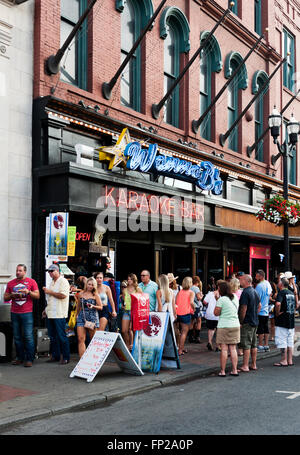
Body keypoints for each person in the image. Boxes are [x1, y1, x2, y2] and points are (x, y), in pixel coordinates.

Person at [4, 264, 40, 367]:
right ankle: (19, 357)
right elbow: (5, 297)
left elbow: (37, 295)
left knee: (28, 336)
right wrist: (12, 295)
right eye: (17, 270)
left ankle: (29, 359)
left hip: (27, 313)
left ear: (25, 272)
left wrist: (28, 292)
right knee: (17, 336)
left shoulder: (31, 282)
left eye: (20, 270)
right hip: (14, 313)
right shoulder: (11, 283)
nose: (17, 272)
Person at [42, 264, 70, 365]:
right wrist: (46, 309)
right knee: (52, 336)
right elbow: (50, 299)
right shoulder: (51, 282)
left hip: (59, 313)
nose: (50, 273)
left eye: (52, 271)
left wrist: (50, 291)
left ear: (58, 271)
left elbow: (63, 295)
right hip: (51, 312)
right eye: (49, 271)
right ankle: (56, 355)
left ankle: (66, 357)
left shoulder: (63, 281)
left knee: (61, 336)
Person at [214, 280, 240, 377]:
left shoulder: (222, 299)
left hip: (224, 325)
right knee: (233, 349)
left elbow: (216, 313)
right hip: (235, 325)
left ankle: (223, 371)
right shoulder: (235, 298)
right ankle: (234, 370)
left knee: (224, 349)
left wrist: (217, 300)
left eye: (219, 289)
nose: (218, 290)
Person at [237, 274, 261, 372]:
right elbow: (260, 305)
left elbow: (243, 308)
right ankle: (253, 364)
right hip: (255, 320)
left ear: (246, 281)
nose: (239, 281)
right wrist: (254, 313)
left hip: (247, 322)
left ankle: (245, 365)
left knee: (246, 344)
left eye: (241, 280)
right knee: (253, 344)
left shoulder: (245, 292)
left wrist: (241, 321)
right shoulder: (255, 291)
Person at [273, 277, 298, 367]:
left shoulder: (281, 292)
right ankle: (290, 360)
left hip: (282, 321)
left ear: (281, 284)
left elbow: (278, 304)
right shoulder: (291, 292)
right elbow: (296, 305)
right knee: (290, 341)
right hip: (291, 321)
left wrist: (277, 312)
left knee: (282, 341)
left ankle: (284, 360)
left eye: (279, 282)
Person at [76, 277, 103, 358]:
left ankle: (92, 359)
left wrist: (93, 306)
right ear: (86, 284)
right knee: (81, 339)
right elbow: (78, 306)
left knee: (93, 340)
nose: (90, 286)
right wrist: (76, 315)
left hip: (92, 317)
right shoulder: (81, 294)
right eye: (89, 284)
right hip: (82, 317)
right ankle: (82, 360)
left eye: (92, 285)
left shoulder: (95, 295)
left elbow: (101, 307)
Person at [122, 273, 142, 350]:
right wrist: (124, 306)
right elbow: (124, 301)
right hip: (127, 311)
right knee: (124, 330)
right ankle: (127, 345)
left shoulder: (138, 289)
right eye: (128, 279)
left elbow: (141, 300)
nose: (129, 280)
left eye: (131, 279)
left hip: (135, 311)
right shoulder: (125, 290)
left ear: (134, 280)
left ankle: (133, 345)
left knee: (134, 330)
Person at [175, 277, 195, 356]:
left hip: (178, 313)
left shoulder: (179, 292)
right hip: (185, 313)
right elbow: (191, 302)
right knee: (184, 332)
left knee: (179, 332)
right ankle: (180, 350)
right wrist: (194, 309)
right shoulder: (191, 292)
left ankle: (180, 347)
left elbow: (176, 302)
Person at [255, 270, 272, 352]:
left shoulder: (259, 286)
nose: (255, 277)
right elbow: (270, 294)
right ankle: (266, 345)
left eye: (257, 276)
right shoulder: (267, 283)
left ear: (261, 276)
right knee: (266, 328)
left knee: (260, 328)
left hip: (260, 310)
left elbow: (256, 299)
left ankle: (260, 345)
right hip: (266, 309)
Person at [189, 276, 203, 343]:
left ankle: (191, 337)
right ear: (198, 282)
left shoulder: (190, 288)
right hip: (196, 306)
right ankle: (197, 337)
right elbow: (198, 298)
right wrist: (201, 296)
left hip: (190, 306)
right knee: (199, 320)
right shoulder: (196, 288)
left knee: (191, 321)